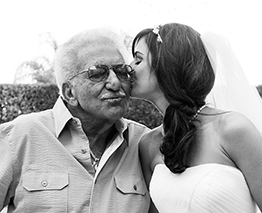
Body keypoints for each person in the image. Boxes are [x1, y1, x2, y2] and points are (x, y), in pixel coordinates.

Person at [130, 23, 262, 212]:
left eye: (138, 60)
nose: (129, 68)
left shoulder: (233, 130)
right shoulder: (147, 145)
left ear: (166, 65)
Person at [0, 28, 151, 212]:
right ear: (69, 93)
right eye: (97, 74)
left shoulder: (144, 143)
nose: (115, 83)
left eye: (121, 71)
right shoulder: (20, 136)